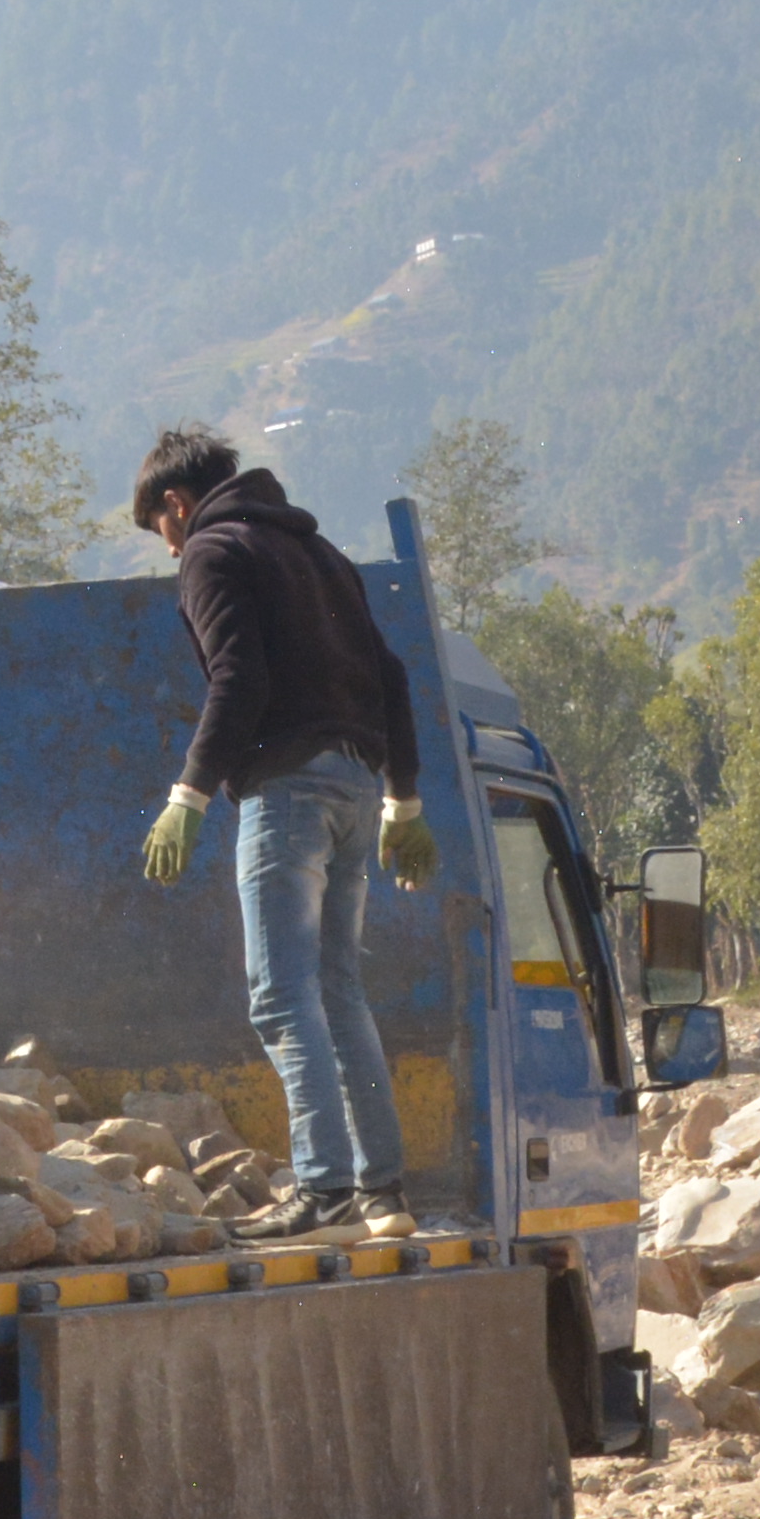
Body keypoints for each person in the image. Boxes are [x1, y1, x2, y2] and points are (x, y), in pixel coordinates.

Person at [132, 429, 445, 1232]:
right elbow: (394, 676)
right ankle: (382, 1193)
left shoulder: (215, 550)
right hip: (351, 786)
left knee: (280, 996)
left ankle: (322, 1189)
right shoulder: (322, 555)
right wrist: (401, 803)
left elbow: (240, 679)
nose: (172, 551)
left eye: (163, 531)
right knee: (339, 991)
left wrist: (189, 795)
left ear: (177, 504)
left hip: (286, 793)